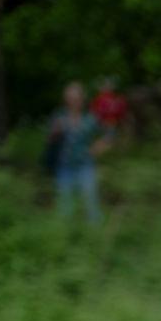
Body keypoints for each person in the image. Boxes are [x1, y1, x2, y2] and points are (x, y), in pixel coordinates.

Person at [46, 82, 109, 223]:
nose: (73, 101)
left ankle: (95, 237)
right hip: (64, 167)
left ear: (82, 99)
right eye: (69, 98)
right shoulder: (59, 116)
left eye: (76, 98)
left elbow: (109, 133)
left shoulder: (90, 118)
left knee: (91, 203)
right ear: (65, 100)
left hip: (85, 165)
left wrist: (98, 147)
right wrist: (54, 134)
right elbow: (49, 141)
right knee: (65, 206)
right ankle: (65, 238)